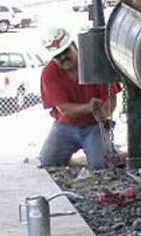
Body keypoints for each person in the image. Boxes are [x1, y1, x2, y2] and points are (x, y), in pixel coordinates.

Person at [38, 27, 121, 170]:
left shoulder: (95, 62)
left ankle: (108, 151)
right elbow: (65, 109)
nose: (63, 57)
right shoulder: (49, 73)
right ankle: (72, 158)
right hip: (65, 126)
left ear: (75, 46)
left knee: (101, 165)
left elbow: (111, 98)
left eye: (66, 52)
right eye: (58, 56)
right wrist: (90, 107)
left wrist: (103, 115)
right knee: (47, 162)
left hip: (94, 127)